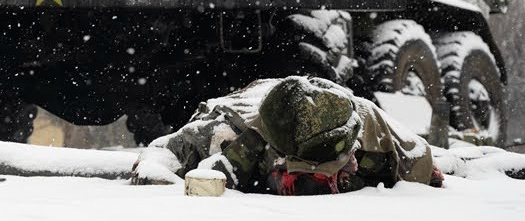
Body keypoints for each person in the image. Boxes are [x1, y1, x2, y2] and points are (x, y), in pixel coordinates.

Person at [132, 75, 444, 194]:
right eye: (297, 180)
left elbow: (421, 163)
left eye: (330, 176)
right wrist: (158, 176)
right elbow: (163, 152)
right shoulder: (229, 134)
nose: (319, 188)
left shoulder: (375, 132)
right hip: (254, 97)